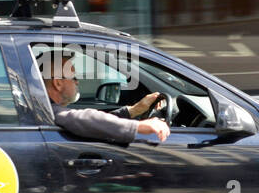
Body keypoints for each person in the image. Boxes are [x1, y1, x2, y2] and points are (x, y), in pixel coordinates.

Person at [38, 48, 170, 143]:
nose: (77, 81)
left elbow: (97, 124)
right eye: (74, 77)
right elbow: (86, 118)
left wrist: (135, 110)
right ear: (58, 83)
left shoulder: (43, 108)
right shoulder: (50, 111)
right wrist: (138, 127)